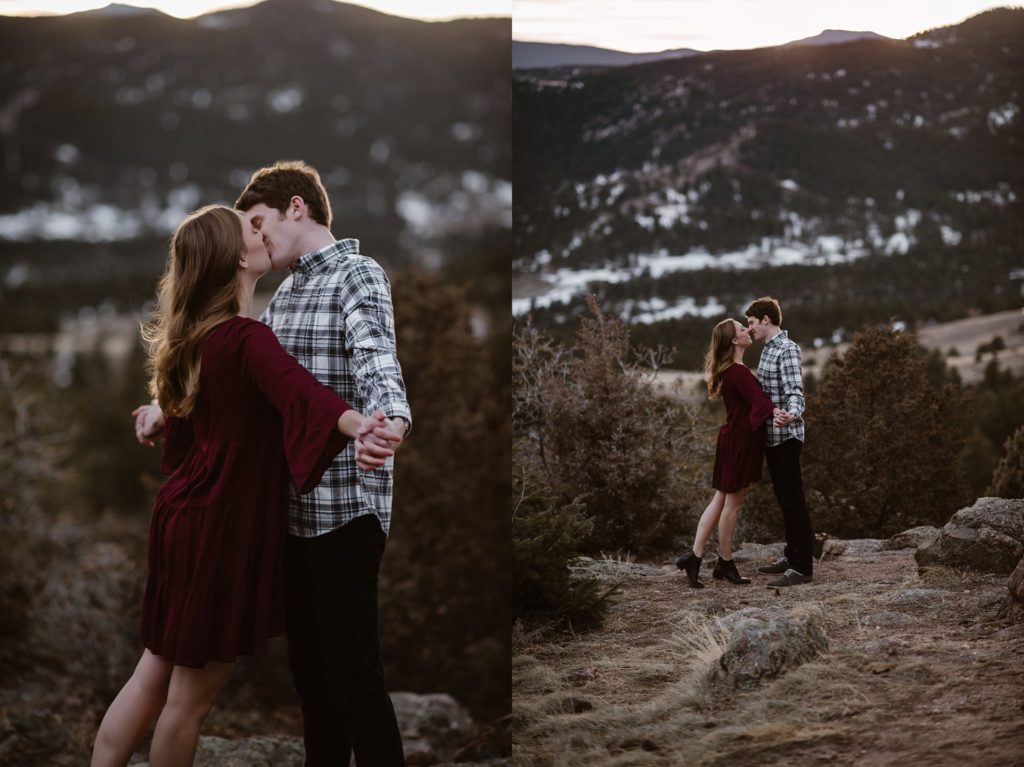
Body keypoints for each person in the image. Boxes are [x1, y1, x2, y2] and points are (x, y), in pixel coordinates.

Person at [91, 205, 399, 767]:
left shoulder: (197, 336)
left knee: (151, 674)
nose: (263, 235)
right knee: (187, 703)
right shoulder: (246, 336)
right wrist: (363, 424)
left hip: (180, 518)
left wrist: (158, 414)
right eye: (252, 230)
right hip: (217, 528)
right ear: (236, 257)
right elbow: (299, 393)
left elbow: (203, 400)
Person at [675, 319, 777, 588]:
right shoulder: (738, 372)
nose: (747, 330)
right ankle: (725, 562)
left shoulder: (733, 370)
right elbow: (759, 402)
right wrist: (778, 412)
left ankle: (694, 556)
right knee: (733, 503)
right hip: (741, 442)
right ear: (734, 340)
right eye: (742, 329)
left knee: (720, 499)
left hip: (732, 439)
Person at [745, 296, 815, 587]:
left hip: (786, 436)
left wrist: (792, 415)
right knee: (785, 500)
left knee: (794, 501)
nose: (748, 329)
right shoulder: (768, 349)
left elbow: (795, 391)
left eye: (751, 323)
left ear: (765, 320)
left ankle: (802, 568)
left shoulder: (786, 348)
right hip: (772, 438)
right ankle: (791, 555)